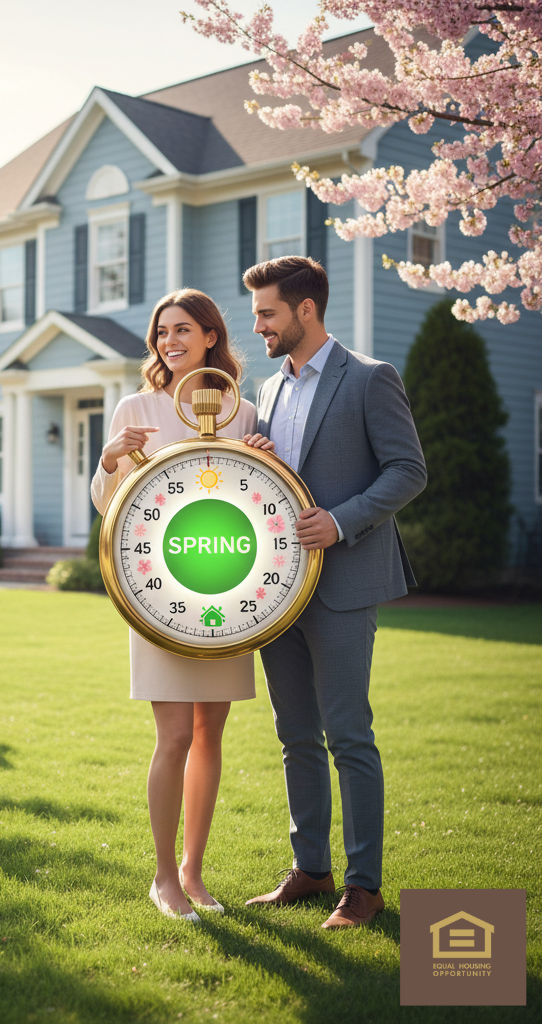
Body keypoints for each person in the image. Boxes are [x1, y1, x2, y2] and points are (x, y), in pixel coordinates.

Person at [242, 256, 426, 928]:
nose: (256, 324)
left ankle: (364, 887)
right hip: (279, 590)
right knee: (295, 735)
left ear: (305, 310)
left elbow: (409, 471)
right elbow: (283, 484)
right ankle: (310, 871)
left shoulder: (371, 379)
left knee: (348, 734)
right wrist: (260, 458)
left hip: (345, 583)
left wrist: (342, 519)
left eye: (266, 313)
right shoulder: (272, 387)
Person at [91, 288, 274, 923]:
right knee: (172, 736)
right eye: (162, 332)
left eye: (184, 330)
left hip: (224, 587)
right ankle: (163, 877)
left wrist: (262, 461)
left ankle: (195, 872)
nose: (171, 341)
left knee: (209, 733)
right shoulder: (134, 406)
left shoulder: (243, 412)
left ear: (209, 337)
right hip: (159, 593)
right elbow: (107, 504)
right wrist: (111, 459)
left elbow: (256, 500)